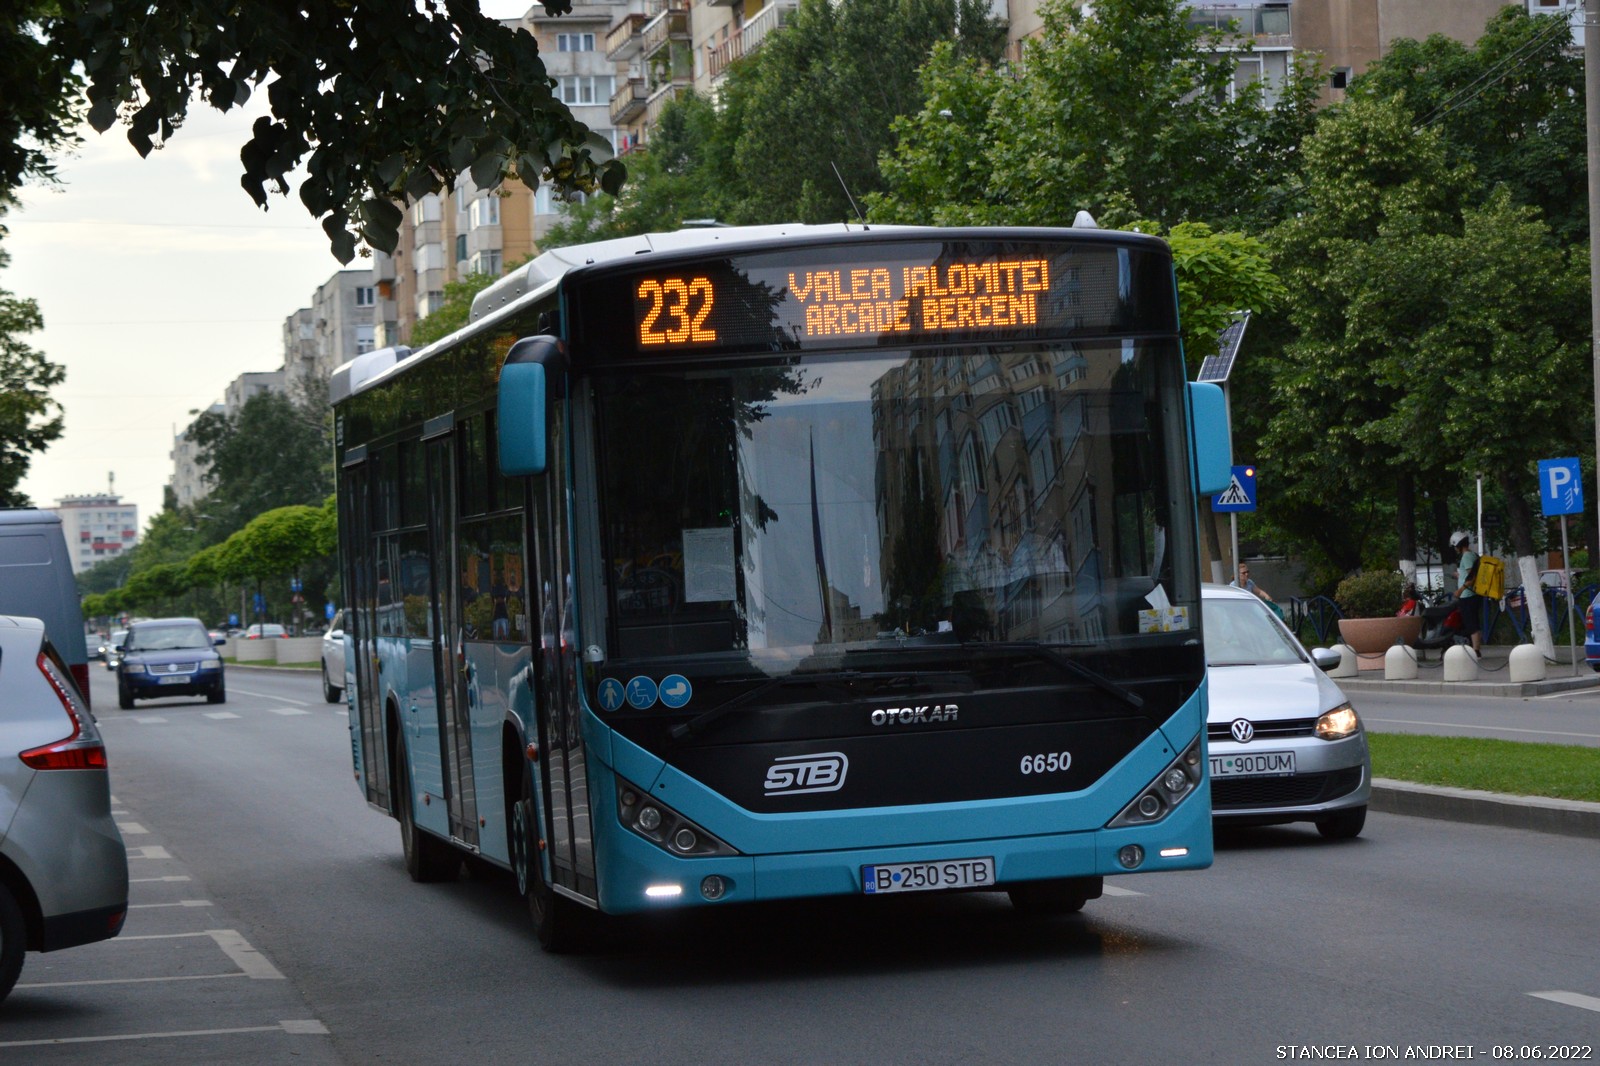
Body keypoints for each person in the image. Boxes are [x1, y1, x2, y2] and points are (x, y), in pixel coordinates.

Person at [1451, 530, 1482, 655]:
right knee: (1471, 621)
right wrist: (1459, 576)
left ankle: (1476, 651)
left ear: (1459, 545)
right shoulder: (1472, 555)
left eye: (1455, 546)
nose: (1455, 549)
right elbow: (1469, 575)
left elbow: (1472, 577)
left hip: (1468, 595)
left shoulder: (1467, 556)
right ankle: (1474, 648)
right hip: (1471, 595)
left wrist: (1460, 590)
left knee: (1471, 623)